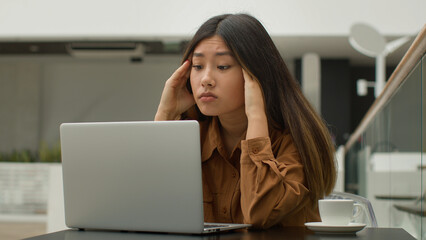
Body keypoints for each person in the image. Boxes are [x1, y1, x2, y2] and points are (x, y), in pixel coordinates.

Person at [155, 13, 336, 229]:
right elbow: (151, 208)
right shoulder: (191, 136)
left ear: (255, 75)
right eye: (198, 66)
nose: (206, 80)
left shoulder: (294, 139)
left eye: (222, 66)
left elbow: (258, 215)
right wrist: (165, 114)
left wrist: (256, 115)